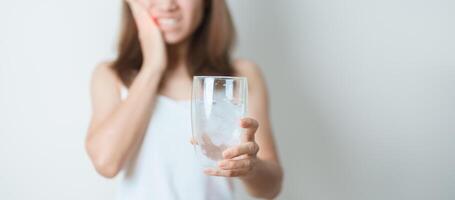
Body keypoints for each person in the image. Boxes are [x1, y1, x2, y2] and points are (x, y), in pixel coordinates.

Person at [85, 0, 283, 199]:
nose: (167, 5)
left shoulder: (241, 76)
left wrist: (252, 168)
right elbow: (106, 163)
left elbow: (271, 188)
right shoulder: (111, 76)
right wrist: (153, 66)